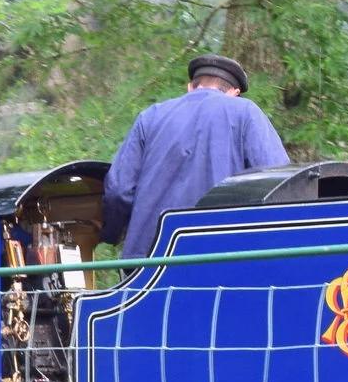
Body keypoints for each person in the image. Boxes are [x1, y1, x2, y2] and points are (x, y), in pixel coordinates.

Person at [100, 55, 290, 256]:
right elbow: (279, 186)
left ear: (190, 87)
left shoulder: (149, 117)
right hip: (219, 262)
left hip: (147, 265)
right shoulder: (246, 113)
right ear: (235, 92)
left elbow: (119, 191)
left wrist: (111, 233)